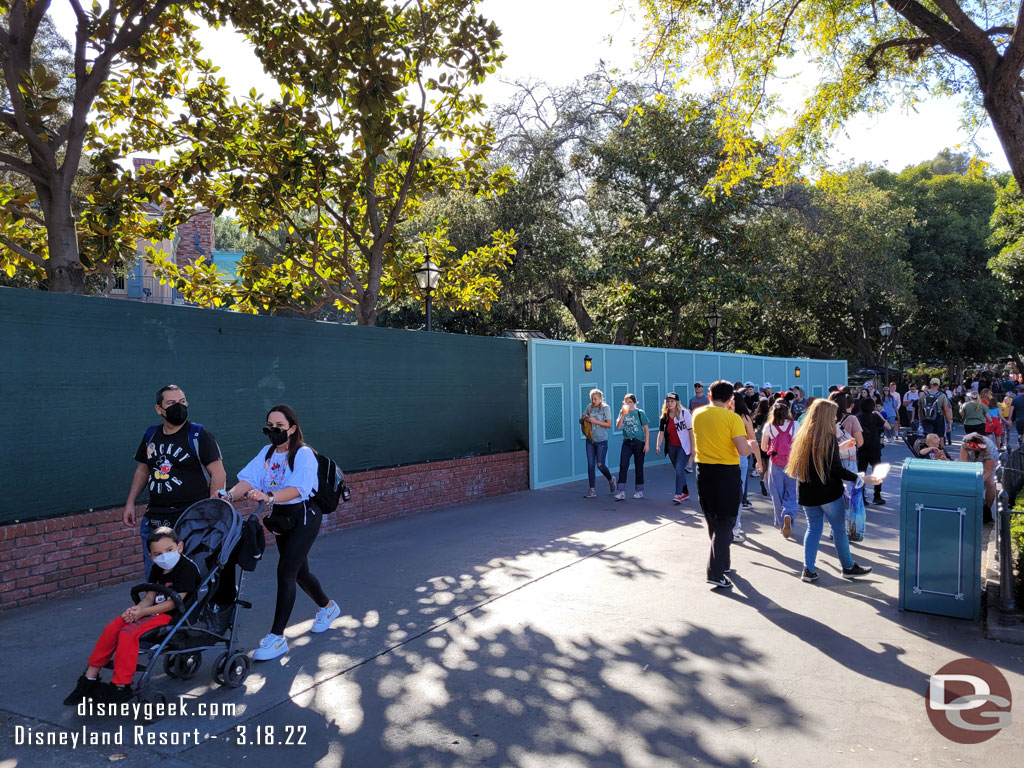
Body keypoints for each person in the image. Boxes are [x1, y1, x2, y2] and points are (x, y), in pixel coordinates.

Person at [222, 405, 340, 661]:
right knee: (300, 572)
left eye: (279, 426)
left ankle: (277, 638)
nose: (273, 431)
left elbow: (300, 488)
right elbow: (249, 480)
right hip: (283, 518)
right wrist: (229, 495)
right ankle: (328, 608)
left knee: (286, 571)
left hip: (305, 515)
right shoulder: (267, 452)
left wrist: (269, 496)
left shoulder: (304, 454)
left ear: (293, 428)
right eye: (269, 427)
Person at [63, 526, 200, 705]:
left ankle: (121, 685)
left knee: (128, 634)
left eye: (169, 550)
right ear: (151, 556)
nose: (164, 556)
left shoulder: (187, 568)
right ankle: (89, 679)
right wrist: (136, 610)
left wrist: (143, 612)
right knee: (113, 627)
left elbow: (174, 602)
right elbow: (150, 596)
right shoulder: (158, 569)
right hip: (153, 611)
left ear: (179, 547)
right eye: (158, 554)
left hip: (172, 615)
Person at [125, 385, 226, 576]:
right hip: (155, 520)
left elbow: (218, 473)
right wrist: (130, 502)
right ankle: (159, 605)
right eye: (171, 403)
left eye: (182, 402)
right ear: (159, 409)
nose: (178, 407)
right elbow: (143, 469)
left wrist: (214, 508)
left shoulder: (198, 435)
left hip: (190, 520)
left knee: (188, 578)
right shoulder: (151, 435)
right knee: (155, 578)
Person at [785, 399, 877, 583]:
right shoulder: (828, 437)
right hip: (828, 492)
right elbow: (835, 468)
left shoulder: (803, 435)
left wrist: (840, 449)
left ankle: (808, 569)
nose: (835, 418)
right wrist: (860, 477)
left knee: (813, 529)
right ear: (826, 417)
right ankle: (848, 566)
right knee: (839, 530)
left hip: (807, 492)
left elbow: (819, 460)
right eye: (833, 415)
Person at [692, 381, 757, 589]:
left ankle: (723, 563)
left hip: (703, 471)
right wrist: (752, 444)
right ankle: (715, 571)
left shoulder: (698, 414)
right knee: (726, 521)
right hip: (726, 472)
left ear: (709, 394)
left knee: (713, 519)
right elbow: (743, 450)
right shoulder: (733, 418)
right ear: (731, 399)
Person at [831, 391, 866, 542]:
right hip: (849, 461)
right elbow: (860, 441)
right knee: (852, 496)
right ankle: (853, 530)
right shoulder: (852, 419)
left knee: (835, 497)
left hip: (832, 461)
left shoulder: (828, 420)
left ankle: (836, 530)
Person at [762, 400, 800, 539]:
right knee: (791, 491)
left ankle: (780, 521)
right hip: (792, 462)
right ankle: (788, 513)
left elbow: (763, 447)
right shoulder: (795, 425)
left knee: (776, 492)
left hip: (776, 462)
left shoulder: (769, 427)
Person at [731, 395, 762, 540]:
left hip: (723, 458)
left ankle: (726, 526)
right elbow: (753, 439)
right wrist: (759, 461)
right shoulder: (744, 417)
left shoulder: (723, 415)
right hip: (740, 457)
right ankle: (734, 527)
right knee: (737, 494)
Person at [656, 392, 692, 504]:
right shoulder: (665, 417)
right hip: (671, 447)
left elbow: (691, 431)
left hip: (684, 446)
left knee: (679, 468)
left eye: (672, 401)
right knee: (678, 470)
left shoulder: (685, 414)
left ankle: (678, 494)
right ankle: (685, 492)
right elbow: (661, 432)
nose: (670, 403)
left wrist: (694, 448)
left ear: (677, 402)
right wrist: (658, 445)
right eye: (668, 401)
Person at [614, 394, 650, 500]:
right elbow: (618, 426)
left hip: (639, 441)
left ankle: (639, 490)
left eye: (630, 402)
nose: (628, 404)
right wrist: (623, 415)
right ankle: (621, 491)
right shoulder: (622, 413)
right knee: (623, 464)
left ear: (634, 402)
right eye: (626, 402)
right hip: (627, 442)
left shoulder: (640, 413)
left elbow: (646, 429)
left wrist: (647, 444)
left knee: (639, 466)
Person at [581, 389, 614, 498]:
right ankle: (592, 490)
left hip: (601, 441)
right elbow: (582, 421)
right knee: (590, 465)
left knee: (600, 465)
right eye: (592, 399)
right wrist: (583, 419)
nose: (593, 401)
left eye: (595, 399)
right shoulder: (589, 407)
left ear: (600, 398)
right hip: (590, 440)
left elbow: (609, 425)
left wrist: (595, 421)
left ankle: (610, 478)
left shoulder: (605, 408)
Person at [961, 432, 999, 524]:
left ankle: (986, 511)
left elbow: (988, 470)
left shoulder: (988, 448)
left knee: (990, 484)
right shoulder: (966, 443)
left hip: (987, 460)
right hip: (972, 459)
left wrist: (978, 482)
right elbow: (964, 464)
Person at [856, 397, 886, 511]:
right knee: (878, 472)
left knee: (861, 473)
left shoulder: (858, 417)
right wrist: (879, 414)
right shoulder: (875, 416)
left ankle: (861, 497)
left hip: (862, 448)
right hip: (875, 448)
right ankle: (877, 496)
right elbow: (888, 426)